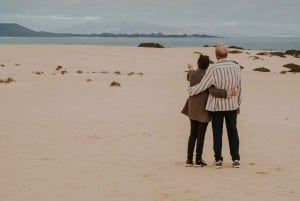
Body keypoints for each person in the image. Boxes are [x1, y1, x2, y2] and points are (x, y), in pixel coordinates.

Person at [187, 43, 242, 168]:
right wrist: (238, 103)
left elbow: (203, 85)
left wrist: (191, 91)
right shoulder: (236, 67)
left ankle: (218, 160)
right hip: (232, 105)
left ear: (216, 55)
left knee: (217, 132)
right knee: (233, 131)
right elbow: (239, 87)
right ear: (227, 54)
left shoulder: (213, 68)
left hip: (216, 106)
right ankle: (236, 159)